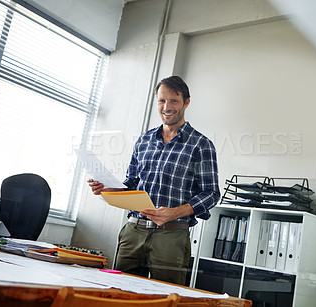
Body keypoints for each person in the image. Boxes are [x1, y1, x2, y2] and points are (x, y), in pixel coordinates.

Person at [88, 75, 220, 285]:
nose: (167, 106)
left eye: (174, 101)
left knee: (165, 296)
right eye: (161, 100)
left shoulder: (201, 145)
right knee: (120, 293)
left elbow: (211, 194)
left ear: (186, 102)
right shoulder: (144, 140)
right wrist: (107, 189)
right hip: (133, 231)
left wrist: (175, 212)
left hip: (172, 235)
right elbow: (131, 184)